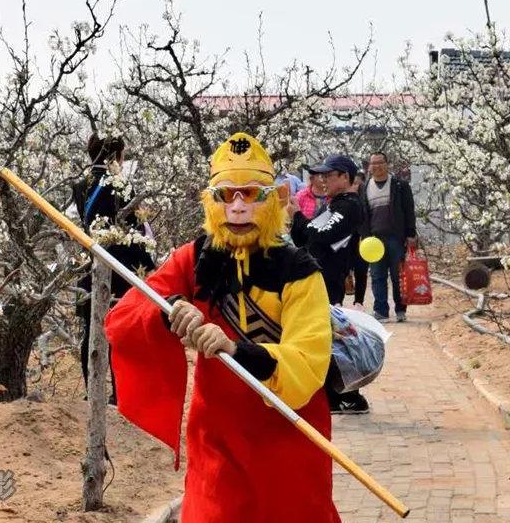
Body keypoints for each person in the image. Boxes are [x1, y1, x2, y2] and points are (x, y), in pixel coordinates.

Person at [105, 133, 340, 522]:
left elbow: (308, 360)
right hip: (216, 437)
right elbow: (126, 314)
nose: (238, 207)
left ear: (275, 199)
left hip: (289, 436)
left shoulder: (299, 272)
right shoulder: (194, 258)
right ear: (211, 202)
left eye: (251, 194)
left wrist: (235, 349)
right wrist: (172, 309)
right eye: (226, 195)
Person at [72, 133, 155, 404]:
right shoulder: (119, 184)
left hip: (91, 262)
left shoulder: (80, 184)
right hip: (120, 267)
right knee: (119, 333)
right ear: (116, 155)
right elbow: (135, 228)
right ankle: (119, 395)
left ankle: (90, 390)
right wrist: (150, 264)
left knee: (92, 330)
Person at [289, 155, 367, 415]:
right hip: (319, 276)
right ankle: (338, 393)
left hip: (329, 279)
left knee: (331, 338)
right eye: (320, 176)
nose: (323, 181)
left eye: (329, 176)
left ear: (345, 178)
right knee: (327, 336)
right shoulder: (336, 204)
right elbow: (305, 236)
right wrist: (295, 218)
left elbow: (320, 235)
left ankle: (345, 394)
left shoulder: (350, 206)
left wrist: (299, 216)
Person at [360, 152, 417, 323]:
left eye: (380, 162)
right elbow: (362, 215)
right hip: (374, 240)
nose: (376, 166)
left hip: (395, 238)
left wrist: (410, 234)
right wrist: (364, 236)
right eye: (373, 163)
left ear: (387, 164)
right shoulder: (365, 187)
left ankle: (400, 309)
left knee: (397, 275)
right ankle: (381, 310)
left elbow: (409, 211)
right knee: (377, 276)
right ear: (369, 166)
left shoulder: (400, 186)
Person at [347, 171, 369, 309]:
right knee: (343, 271)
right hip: (346, 240)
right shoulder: (344, 199)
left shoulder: (365, 200)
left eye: (357, 183)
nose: (354, 186)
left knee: (361, 271)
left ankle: (359, 302)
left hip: (363, 239)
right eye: (352, 183)